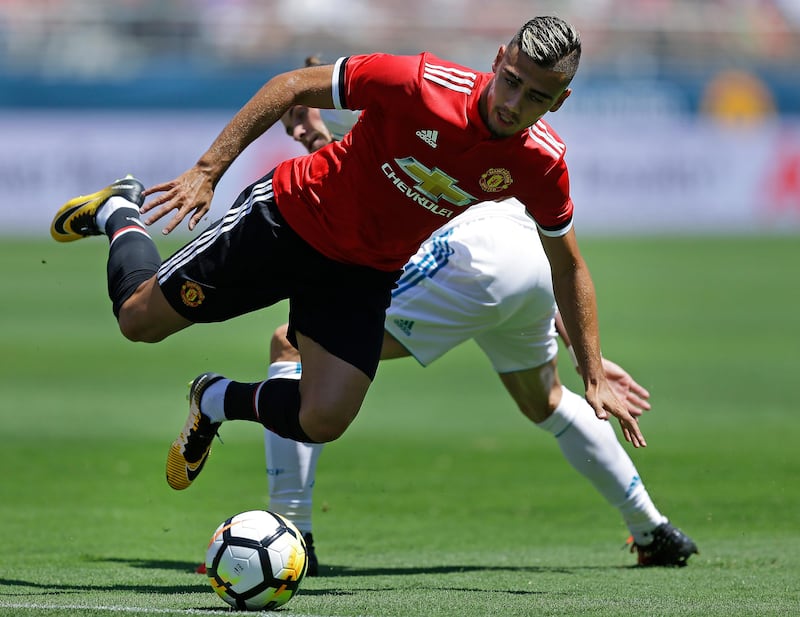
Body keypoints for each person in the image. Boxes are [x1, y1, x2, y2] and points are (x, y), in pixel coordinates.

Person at [50, 17, 646, 513]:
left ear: (559, 101)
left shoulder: (542, 164)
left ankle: (213, 399)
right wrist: (208, 171)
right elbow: (290, 86)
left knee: (323, 417)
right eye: (511, 81)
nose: (514, 103)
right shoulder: (418, 81)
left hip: (363, 274)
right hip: (286, 221)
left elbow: (566, 267)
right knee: (137, 320)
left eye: (536, 97)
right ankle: (120, 212)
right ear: (498, 59)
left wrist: (590, 370)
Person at [262, 95, 697, 574]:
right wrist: (581, 351)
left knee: (292, 342)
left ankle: (292, 531)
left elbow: (364, 172)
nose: (302, 132)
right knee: (545, 400)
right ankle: (653, 529)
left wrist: (315, 110)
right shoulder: (405, 133)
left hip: (470, 255)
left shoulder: (383, 115)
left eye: (304, 116)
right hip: (523, 258)